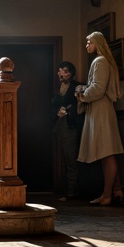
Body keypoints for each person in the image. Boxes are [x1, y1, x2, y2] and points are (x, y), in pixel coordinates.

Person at [76, 31, 124, 205]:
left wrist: (82, 94)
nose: (87, 45)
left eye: (89, 42)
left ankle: (107, 195)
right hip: (100, 109)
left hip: (101, 110)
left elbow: (98, 87)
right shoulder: (103, 61)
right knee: (107, 152)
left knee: (107, 152)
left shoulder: (100, 61)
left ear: (97, 43)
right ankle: (116, 190)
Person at [51, 61, 83, 200]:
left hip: (71, 125)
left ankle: (72, 191)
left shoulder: (76, 86)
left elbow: (80, 107)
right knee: (64, 157)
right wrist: (58, 111)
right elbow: (55, 105)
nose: (60, 73)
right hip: (60, 124)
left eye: (63, 71)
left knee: (71, 158)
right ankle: (67, 188)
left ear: (70, 73)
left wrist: (68, 112)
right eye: (59, 71)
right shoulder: (59, 88)